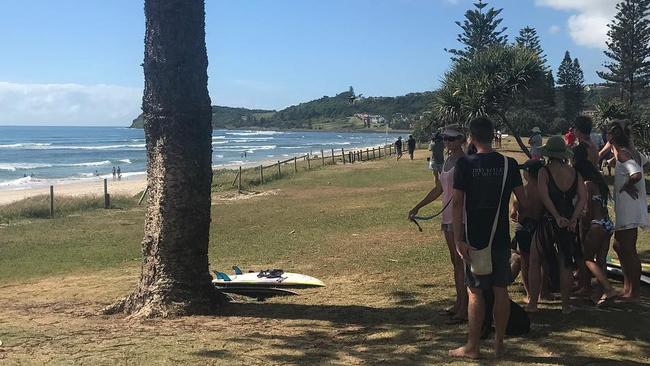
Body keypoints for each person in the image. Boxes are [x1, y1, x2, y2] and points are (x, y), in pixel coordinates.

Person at [449, 117, 526, 359]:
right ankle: (499, 343)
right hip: (500, 237)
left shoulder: (465, 165)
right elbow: (521, 199)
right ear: (493, 136)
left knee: (475, 291)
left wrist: (458, 238)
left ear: (471, 137)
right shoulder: (509, 164)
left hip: (474, 238)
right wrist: (515, 209)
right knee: (501, 290)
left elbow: (458, 203)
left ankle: (473, 346)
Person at [410, 125, 467, 324]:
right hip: (447, 218)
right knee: (455, 262)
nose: (447, 142)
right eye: (445, 138)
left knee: (461, 263)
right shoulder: (447, 161)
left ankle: (464, 308)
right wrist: (418, 206)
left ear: (461, 139)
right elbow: (439, 189)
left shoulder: (464, 162)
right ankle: (460, 303)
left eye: (452, 138)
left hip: (460, 218)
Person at [527, 136, 587, 315]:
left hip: (548, 220)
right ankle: (566, 305)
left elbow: (544, 197)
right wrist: (574, 218)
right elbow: (582, 198)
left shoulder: (544, 171)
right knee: (565, 263)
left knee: (535, 259)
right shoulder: (574, 172)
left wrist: (555, 216)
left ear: (548, 154)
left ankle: (533, 303)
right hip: (569, 220)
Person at [608, 120, 648, 302]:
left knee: (628, 248)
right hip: (632, 207)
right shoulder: (632, 152)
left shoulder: (624, 155)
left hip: (629, 208)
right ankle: (627, 286)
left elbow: (636, 174)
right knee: (618, 246)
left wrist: (626, 185)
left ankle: (634, 292)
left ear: (610, 138)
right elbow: (643, 162)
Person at [574, 160, 619, 304]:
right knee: (601, 260)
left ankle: (608, 288)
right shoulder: (601, 184)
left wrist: (583, 228)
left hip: (596, 225)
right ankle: (599, 292)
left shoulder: (587, 185)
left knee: (587, 259)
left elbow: (588, 211)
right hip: (607, 223)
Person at [511, 160, 545, 303]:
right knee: (541, 262)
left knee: (525, 262)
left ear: (527, 173)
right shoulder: (544, 191)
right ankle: (543, 291)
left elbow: (514, 214)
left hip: (524, 228)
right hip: (540, 227)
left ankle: (530, 294)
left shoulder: (522, 191)